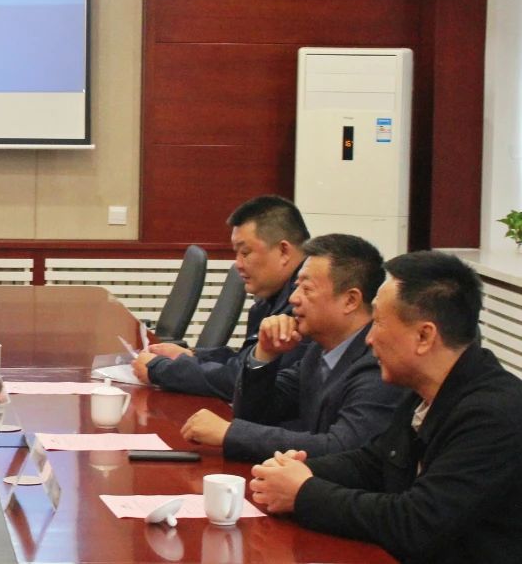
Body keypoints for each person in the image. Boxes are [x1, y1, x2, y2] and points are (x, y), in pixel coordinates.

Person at [250, 251, 522, 563]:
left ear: (424, 336)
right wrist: (296, 471)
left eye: (378, 322)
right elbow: (373, 463)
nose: (369, 339)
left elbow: (416, 523)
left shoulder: (493, 415)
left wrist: (303, 493)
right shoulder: (426, 390)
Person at [180, 234, 404, 461]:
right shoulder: (318, 350)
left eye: (306, 289)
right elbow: (254, 415)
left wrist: (230, 433)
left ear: (350, 300)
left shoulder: (378, 363)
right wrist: (265, 353)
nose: (294, 299)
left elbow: (342, 448)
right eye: (296, 287)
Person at [134, 194, 310, 399]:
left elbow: (241, 381)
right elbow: (245, 361)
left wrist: (161, 370)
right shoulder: (270, 298)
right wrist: (192, 355)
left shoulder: (305, 305)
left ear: (283, 251)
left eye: (245, 253)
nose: (238, 264)